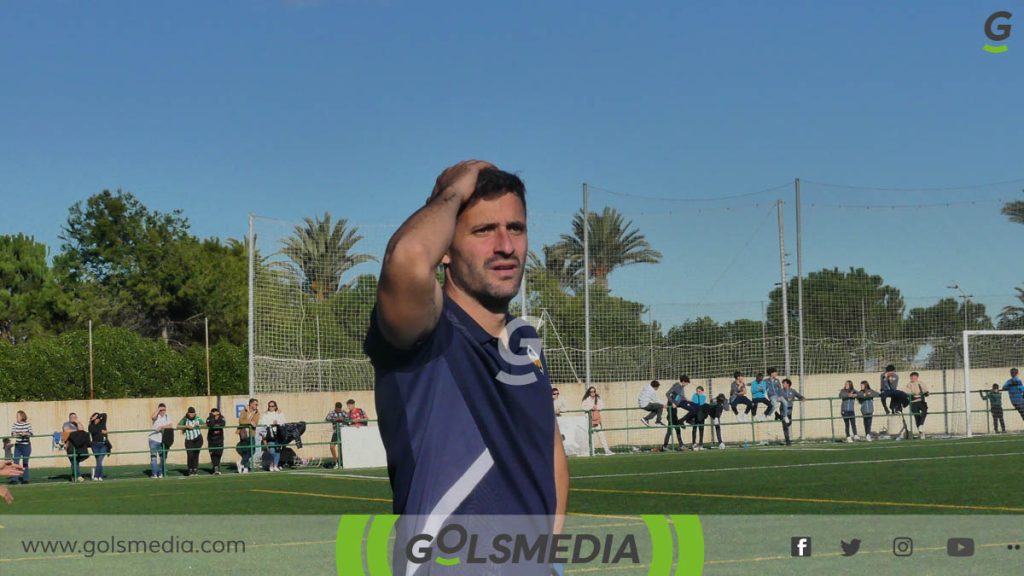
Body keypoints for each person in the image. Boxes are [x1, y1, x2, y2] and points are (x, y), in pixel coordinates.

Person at [364, 161, 568, 546]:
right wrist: (453, 193)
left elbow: (550, 448)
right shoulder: (425, 335)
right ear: (444, 251)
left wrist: (550, 556)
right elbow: (408, 255)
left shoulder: (524, 343)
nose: (505, 246)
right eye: (484, 230)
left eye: (516, 229)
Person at [581, 386, 613, 455]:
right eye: (591, 392)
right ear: (589, 392)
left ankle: (607, 450)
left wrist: (596, 407)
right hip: (589, 420)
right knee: (591, 436)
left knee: (601, 435)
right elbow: (583, 407)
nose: (593, 393)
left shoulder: (598, 399)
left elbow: (602, 406)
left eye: (594, 391)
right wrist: (591, 408)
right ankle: (592, 451)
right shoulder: (586, 399)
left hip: (597, 419)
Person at [661, 376, 688, 450]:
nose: (687, 384)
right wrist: (672, 403)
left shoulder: (681, 387)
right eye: (687, 383)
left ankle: (665, 446)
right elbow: (667, 394)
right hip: (671, 409)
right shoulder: (677, 386)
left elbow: (679, 396)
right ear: (683, 381)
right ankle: (680, 445)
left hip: (674, 410)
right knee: (675, 427)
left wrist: (686, 399)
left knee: (671, 428)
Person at [177, 407, 205, 477]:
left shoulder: (198, 418)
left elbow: (205, 424)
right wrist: (186, 426)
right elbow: (178, 426)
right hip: (189, 439)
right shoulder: (185, 419)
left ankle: (195, 469)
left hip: (198, 438)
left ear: (195, 413)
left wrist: (199, 425)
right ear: (188, 413)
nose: (192, 414)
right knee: (190, 455)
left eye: (193, 413)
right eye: (190, 413)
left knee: (196, 454)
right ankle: (190, 470)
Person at [260, 400, 286, 472]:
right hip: (270, 434)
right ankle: (271, 464)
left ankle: (275, 465)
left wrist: (278, 423)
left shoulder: (279, 413)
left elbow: (284, 422)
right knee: (271, 450)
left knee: (277, 450)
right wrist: (271, 423)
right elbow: (263, 423)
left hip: (278, 434)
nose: (271, 407)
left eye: (272, 406)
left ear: (275, 406)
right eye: (269, 406)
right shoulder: (266, 414)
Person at [149, 403, 173, 478]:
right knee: (153, 457)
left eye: (164, 410)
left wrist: (161, 427)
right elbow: (152, 417)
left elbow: (170, 425)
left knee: (163, 457)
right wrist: (158, 410)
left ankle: (161, 473)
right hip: (153, 439)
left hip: (162, 440)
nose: (163, 411)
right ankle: (154, 474)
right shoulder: (157, 416)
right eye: (161, 410)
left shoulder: (167, 417)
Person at [778, 379, 805, 445]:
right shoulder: (781, 391)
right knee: (785, 425)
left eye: (784, 383)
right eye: (782, 383)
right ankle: (788, 441)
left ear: (788, 384)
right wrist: (785, 399)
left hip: (789, 410)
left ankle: (778, 416)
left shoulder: (792, 391)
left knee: (789, 423)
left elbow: (799, 396)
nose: (783, 385)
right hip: (783, 410)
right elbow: (778, 397)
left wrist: (802, 398)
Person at [237, 398, 260, 474]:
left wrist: (250, 422)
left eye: (257, 404)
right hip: (243, 433)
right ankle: (246, 467)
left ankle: (241, 463)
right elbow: (241, 421)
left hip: (251, 433)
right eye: (255, 404)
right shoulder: (244, 410)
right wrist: (250, 422)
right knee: (245, 450)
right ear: (250, 404)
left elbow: (255, 423)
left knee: (252, 450)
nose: (256, 406)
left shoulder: (257, 412)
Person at [325, 402, 351, 469]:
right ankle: (335, 462)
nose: (339, 410)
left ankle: (342, 462)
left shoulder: (344, 412)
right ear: (335, 407)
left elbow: (350, 420)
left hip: (344, 431)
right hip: (336, 431)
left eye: (340, 409)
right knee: (332, 446)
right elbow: (326, 419)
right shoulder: (332, 413)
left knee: (343, 447)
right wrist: (335, 419)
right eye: (337, 409)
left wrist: (343, 419)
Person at [9, 410, 32, 485]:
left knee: (25, 462)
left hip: (26, 446)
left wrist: (26, 433)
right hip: (18, 446)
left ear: (22, 416)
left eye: (18, 416)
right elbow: (13, 433)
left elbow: (31, 433)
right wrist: (14, 434)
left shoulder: (27, 424)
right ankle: (14, 479)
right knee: (15, 462)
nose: (16, 417)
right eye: (16, 416)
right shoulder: (15, 424)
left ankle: (25, 479)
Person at [905, 372, 929, 438]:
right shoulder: (908, 385)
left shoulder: (921, 383)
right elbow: (909, 394)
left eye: (915, 377)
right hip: (913, 403)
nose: (913, 379)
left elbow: (926, 391)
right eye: (912, 377)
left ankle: (921, 425)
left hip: (921, 401)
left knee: (925, 411)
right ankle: (921, 433)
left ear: (917, 377)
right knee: (917, 417)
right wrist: (916, 395)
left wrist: (925, 393)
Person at [87, 412, 109, 481]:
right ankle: (100, 476)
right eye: (96, 418)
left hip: (103, 444)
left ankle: (96, 475)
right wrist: (91, 420)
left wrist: (98, 416)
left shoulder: (102, 423)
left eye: (98, 418)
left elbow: (105, 415)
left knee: (99, 459)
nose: (97, 419)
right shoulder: (91, 425)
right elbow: (92, 431)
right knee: (98, 461)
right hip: (95, 445)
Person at [688, 386, 709, 450]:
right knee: (694, 429)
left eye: (699, 391)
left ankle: (701, 444)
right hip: (695, 414)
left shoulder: (704, 397)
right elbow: (695, 404)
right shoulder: (694, 396)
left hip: (701, 415)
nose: (698, 392)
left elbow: (702, 404)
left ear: (702, 391)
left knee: (701, 429)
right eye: (697, 391)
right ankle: (694, 443)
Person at [206, 407, 226, 475]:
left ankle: (216, 466)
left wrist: (217, 424)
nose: (216, 414)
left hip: (219, 439)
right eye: (214, 413)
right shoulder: (209, 418)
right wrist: (213, 418)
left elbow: (223, 424)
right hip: (211, 439)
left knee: (219, 453)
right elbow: (210, 424)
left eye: (217, 413)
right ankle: (216, 468)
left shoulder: (222, 417)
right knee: (213, 454)